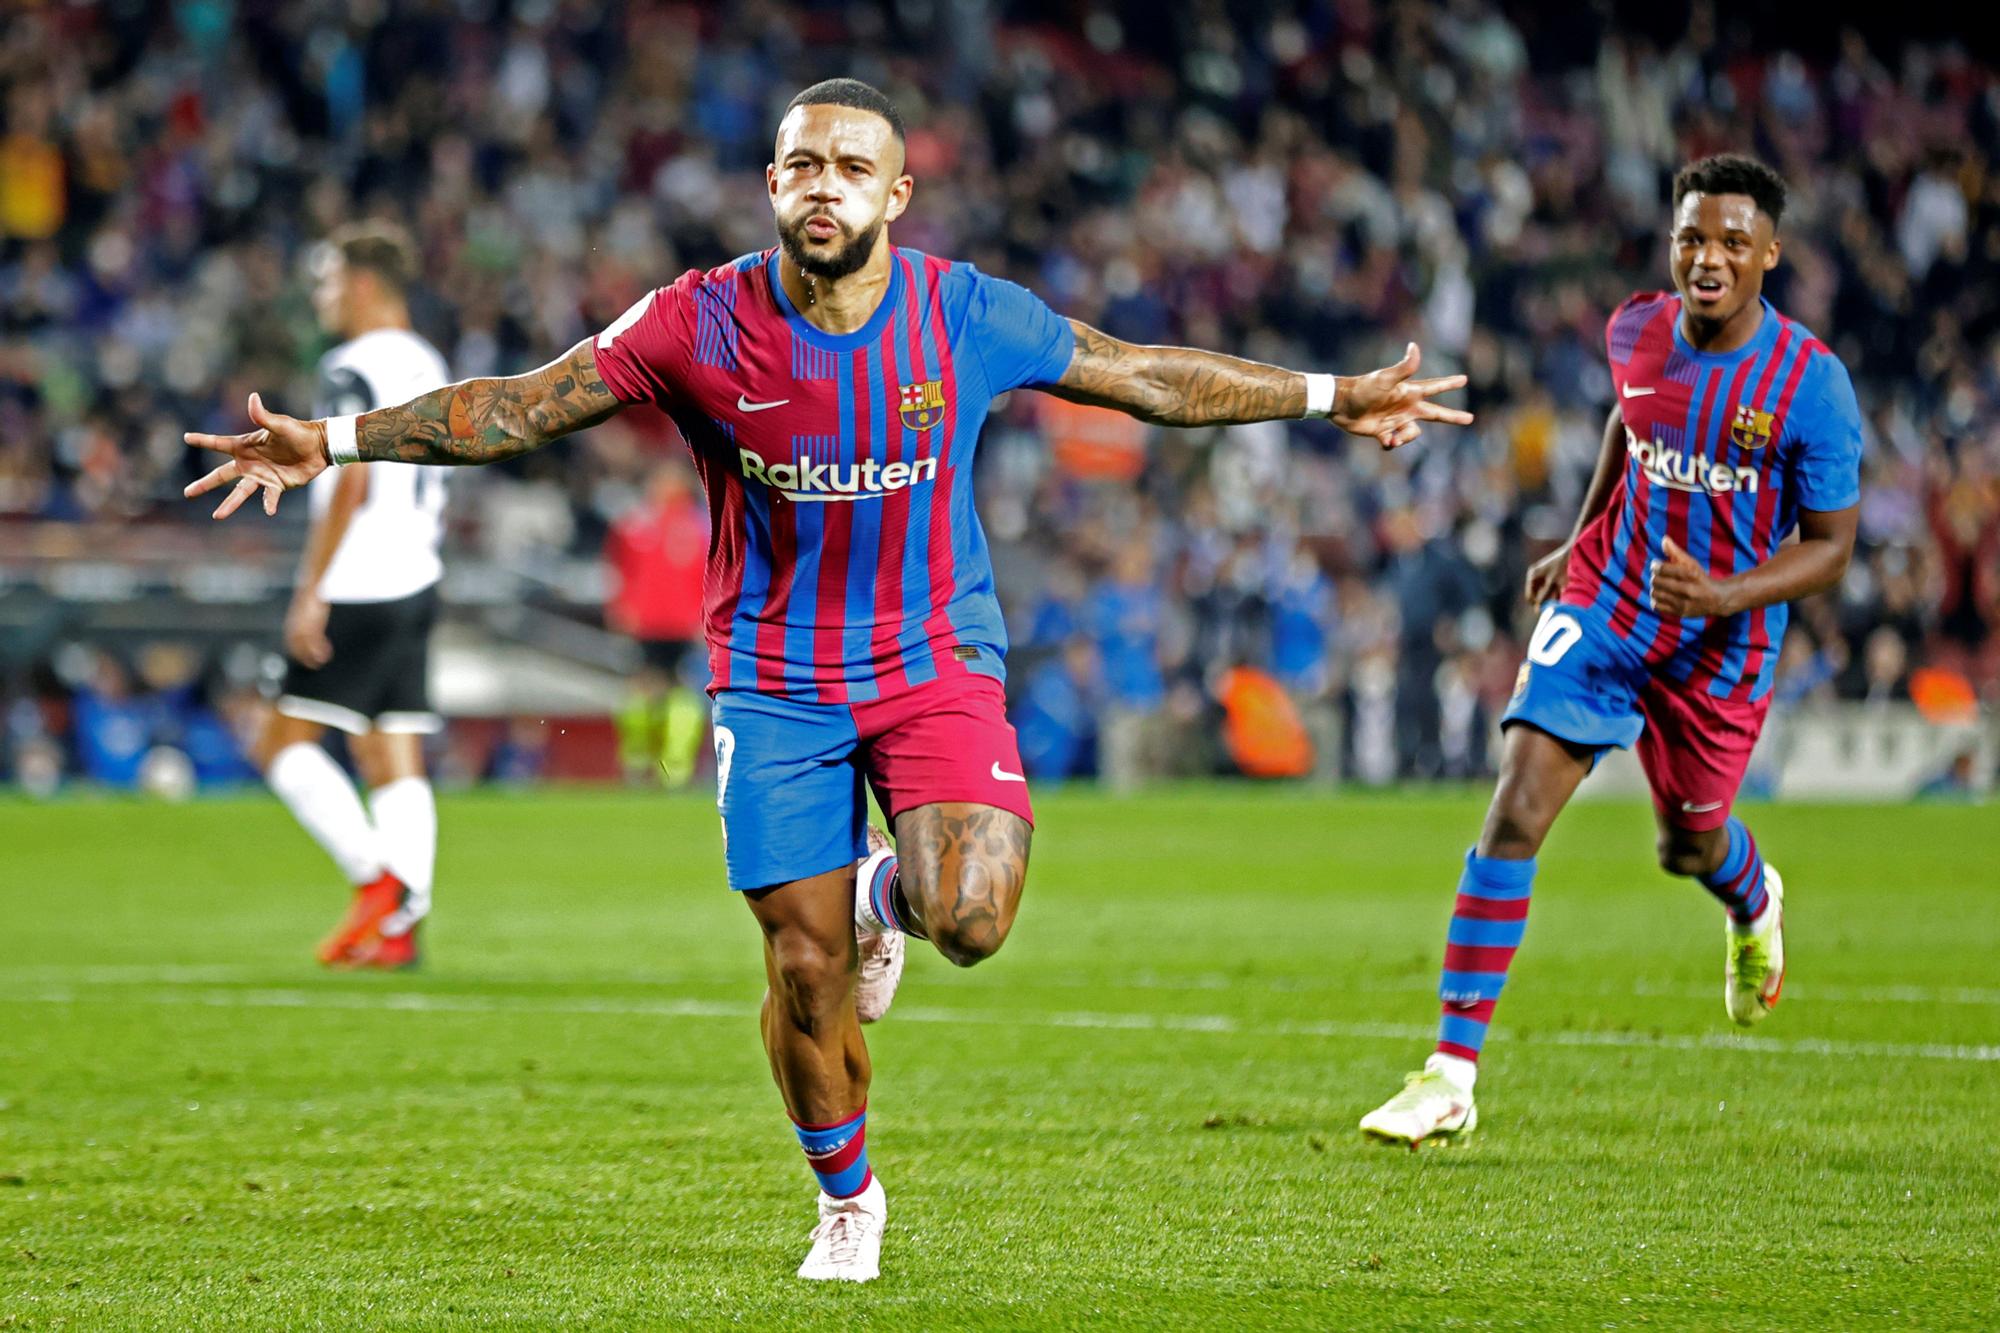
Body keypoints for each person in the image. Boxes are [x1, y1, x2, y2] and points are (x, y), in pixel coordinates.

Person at [184, 79, 1471, 1280]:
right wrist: (332, 439)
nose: (824, 183)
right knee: (802, 973)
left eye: (853, 166)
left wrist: (1329, 394)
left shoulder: (963, 312)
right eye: (802, 162)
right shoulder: (696, 319)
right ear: (769, 183)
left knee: (964, 913)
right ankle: (846, 1198)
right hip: (773, 679)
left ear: (895, 196)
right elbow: (522, 406)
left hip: (933, 661)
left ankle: (880, 894)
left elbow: (1139, 374)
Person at [1359, 155, 1863, 1149]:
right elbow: (1627, 426)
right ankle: (1450, 1074)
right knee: (1515, 807)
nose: (1706, 257)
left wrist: (1721, 592)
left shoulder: (1810, 386)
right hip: (1609, 599)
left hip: (1717, 641)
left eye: (1729, 240)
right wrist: (1573, 537)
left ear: (1769, 252)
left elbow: (1832, 546)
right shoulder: (1634, 328)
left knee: (1686, 845)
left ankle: (1750, 890)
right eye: (1689, 238)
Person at [249, 222, 452, 971]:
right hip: (419, 574)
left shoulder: (351, 364)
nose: (322, 298)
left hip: (361, 578)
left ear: (363, 285)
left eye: (330, 282)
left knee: (277, 743)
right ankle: (403, 928)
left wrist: (311, 590)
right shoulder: (429, 361)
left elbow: (353, 476)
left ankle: (381, 883)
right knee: (390, 746)